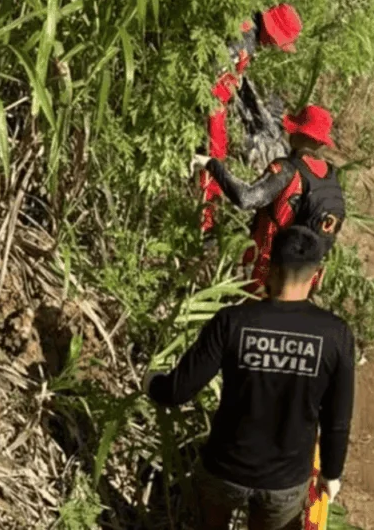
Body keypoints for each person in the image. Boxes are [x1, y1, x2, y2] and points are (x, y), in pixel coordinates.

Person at [144, 226, 355, 530]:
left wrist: (152, 382)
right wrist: (331, 474)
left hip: (224, 468)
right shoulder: (336, 335)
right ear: (317, 276)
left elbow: (179, 389)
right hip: (284, 482)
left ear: (269, 265)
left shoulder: (232, 321)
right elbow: (337, 419)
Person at [199, 104, 346, 296]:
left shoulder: (287, 170)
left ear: (297, 134)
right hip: (303, 279)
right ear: (321, 143)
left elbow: (246, 198)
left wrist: (211, 165)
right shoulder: (331, 177)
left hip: (267, 275)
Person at [201, 3, 304, 234]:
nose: (273, 46)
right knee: (213, 158)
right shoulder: (244, 41)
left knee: (217, 155)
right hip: (212, 105)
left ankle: (208, 216)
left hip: (218, 103)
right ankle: (205, 222)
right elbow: (211, 76)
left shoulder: (246, 24)